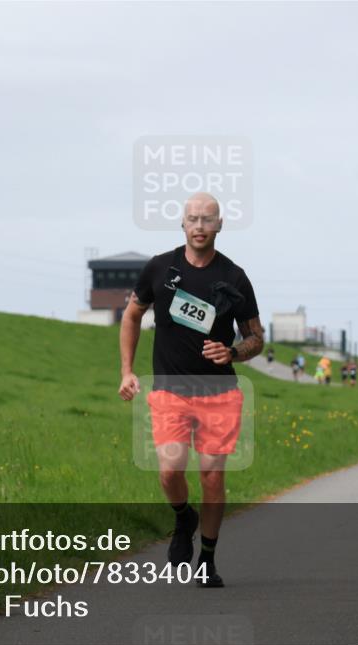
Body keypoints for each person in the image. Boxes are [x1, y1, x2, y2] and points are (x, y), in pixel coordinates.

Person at [119, 192, 263, 588]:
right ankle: (184, 516)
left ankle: (208, 560)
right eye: (193, 219)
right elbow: (132, 315)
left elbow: (256, 338)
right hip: (170, 389)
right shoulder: (159, 268)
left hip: (218, 393)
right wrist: (127, 371)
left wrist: (232, 351)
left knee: (212, 478)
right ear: (183, 224)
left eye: (207, 219)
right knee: (169, 470)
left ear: (219, 225)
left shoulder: (234, 277)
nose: (199, 226)